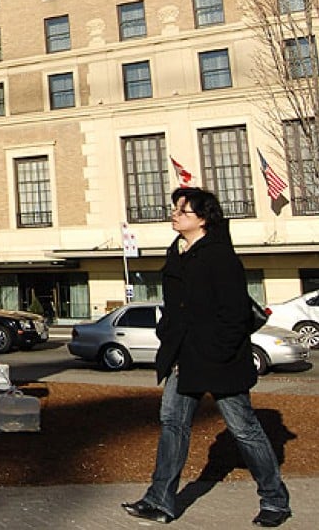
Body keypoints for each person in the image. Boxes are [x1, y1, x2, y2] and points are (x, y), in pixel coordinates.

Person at [122, 187, 292, 527]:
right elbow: (173, 308)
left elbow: (235, 315)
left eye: (182, 211)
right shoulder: (176, 254)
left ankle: (275, 501)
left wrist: (217, 352)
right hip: (183, 359)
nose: (174, 214)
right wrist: (168, 336)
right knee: (173, 426)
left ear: (202, 218)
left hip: (219, 362)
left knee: (244, 430)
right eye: (174, 208)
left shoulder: (220, 256)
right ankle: (160, 500)